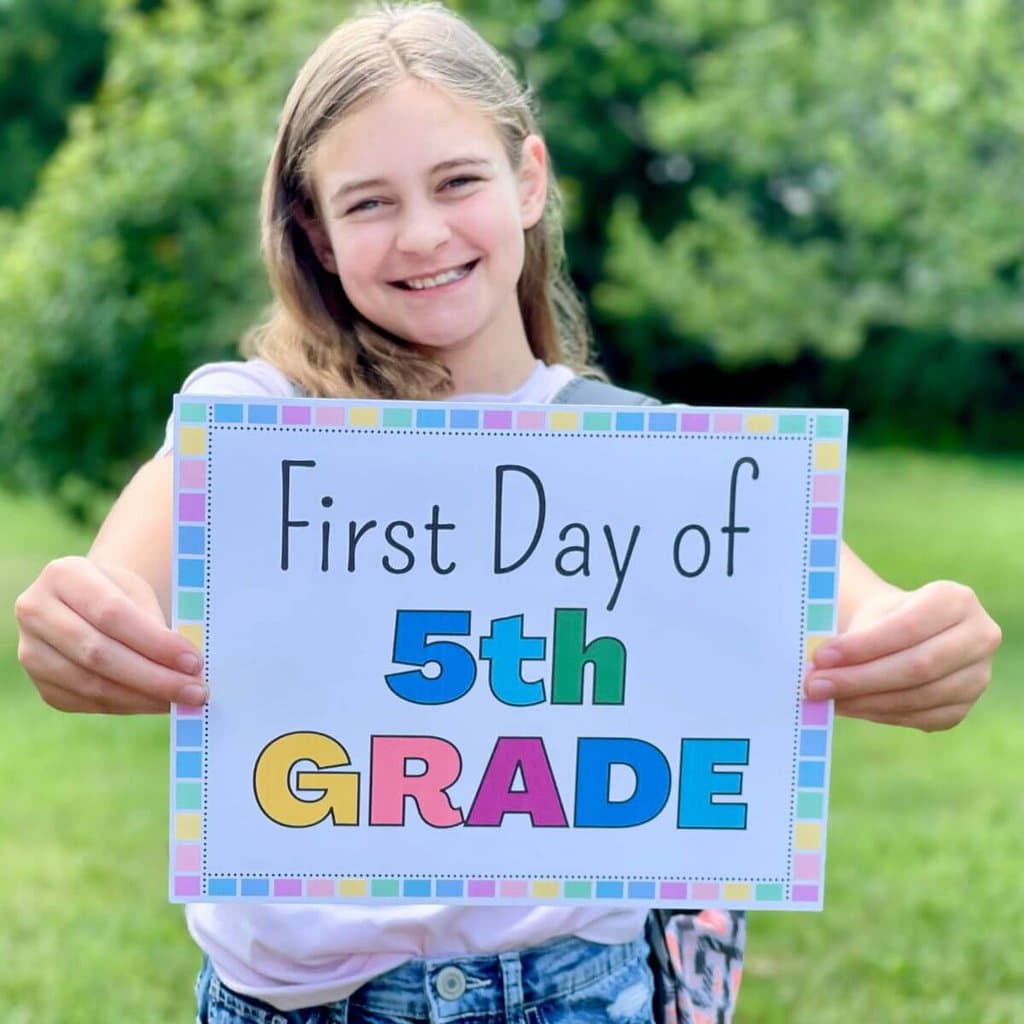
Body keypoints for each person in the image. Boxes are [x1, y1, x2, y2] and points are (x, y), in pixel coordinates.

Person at [13, 3, 1002, 1023]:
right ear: (312, 229)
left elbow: (857, 600)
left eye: (457, 181)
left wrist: (915, 636)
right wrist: (81, 620)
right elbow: (117, 575)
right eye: (366, 202)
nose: (424, 233)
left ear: (527, 179)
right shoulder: (253, 423)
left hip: (579, 991)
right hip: (294, 1003)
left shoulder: (635, 448)